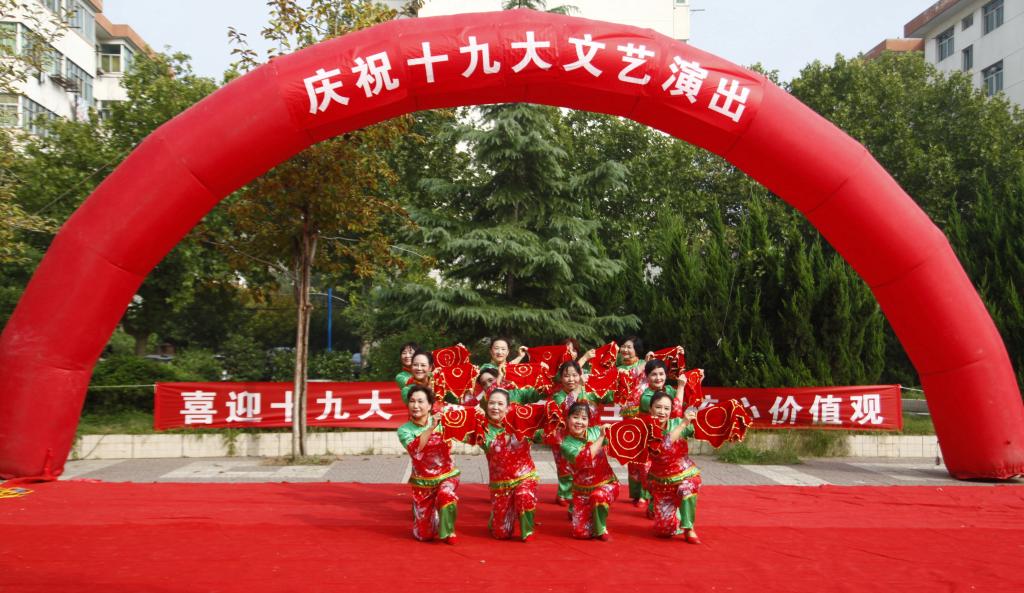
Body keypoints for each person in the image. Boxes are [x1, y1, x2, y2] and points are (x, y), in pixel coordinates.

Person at [475, 388, 544, 542]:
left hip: (525, 477)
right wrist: (510, 428)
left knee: (523, 495)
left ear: (508, 407)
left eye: (500, 404)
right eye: (492, 403)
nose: (495, 407)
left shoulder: (522, 421)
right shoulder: (483, 427)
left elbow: (541, 435)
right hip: (501, 484)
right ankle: (500, 515)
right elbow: (492, 447)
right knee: (501, 534)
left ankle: (527, 531)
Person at [395, 385, 459, 544]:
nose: (415, 405)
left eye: (420, 401)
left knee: (446, 494)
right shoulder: (404, 430)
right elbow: (415, 449)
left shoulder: (444, 421)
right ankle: (430, 517)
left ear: (430, 405)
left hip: (446, 475)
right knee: (424, 535)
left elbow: (465, 424)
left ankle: (448, 531)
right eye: (412, 401)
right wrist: (431, 428)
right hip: (422, 482)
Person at [547, 360, 614, 506]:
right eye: (566, 376)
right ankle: (565, 494)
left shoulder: (589, 390)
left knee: (591, 465)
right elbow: (567, 408)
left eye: (574, 375)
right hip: (566, 437)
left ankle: (590, 495)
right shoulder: (558, 396)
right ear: (561, 378)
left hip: (591, 435)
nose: (571, 379)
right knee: (566, 467)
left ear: (580, 374)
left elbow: (608, 395)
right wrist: (578, 388)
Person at [647, 391, 702, 543]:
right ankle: (675, 513)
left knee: (687, 487)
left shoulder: (678, 422)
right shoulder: (645, 429)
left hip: (685, 476)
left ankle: (689, 528)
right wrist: (683, 424)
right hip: (662, 483)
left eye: (666, 408)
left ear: (671, 410)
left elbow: (700, 428)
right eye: (658, 407)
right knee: (663, 531)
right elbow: (663, 446)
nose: (662, 412)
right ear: (650, 409)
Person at [559, 402, 618, 540]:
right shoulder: (566, 444)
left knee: (598, 496)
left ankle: (601, 529)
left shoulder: (596, 431)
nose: (579, 422)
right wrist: (601, 438)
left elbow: (617, 441)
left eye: (584, 418)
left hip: (606, 484)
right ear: (567, 419)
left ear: (588, 421)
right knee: (580, 533)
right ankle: (585, 512)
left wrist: (613, 432)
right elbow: (583, 459)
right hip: (582, 491)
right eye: (575, 417)